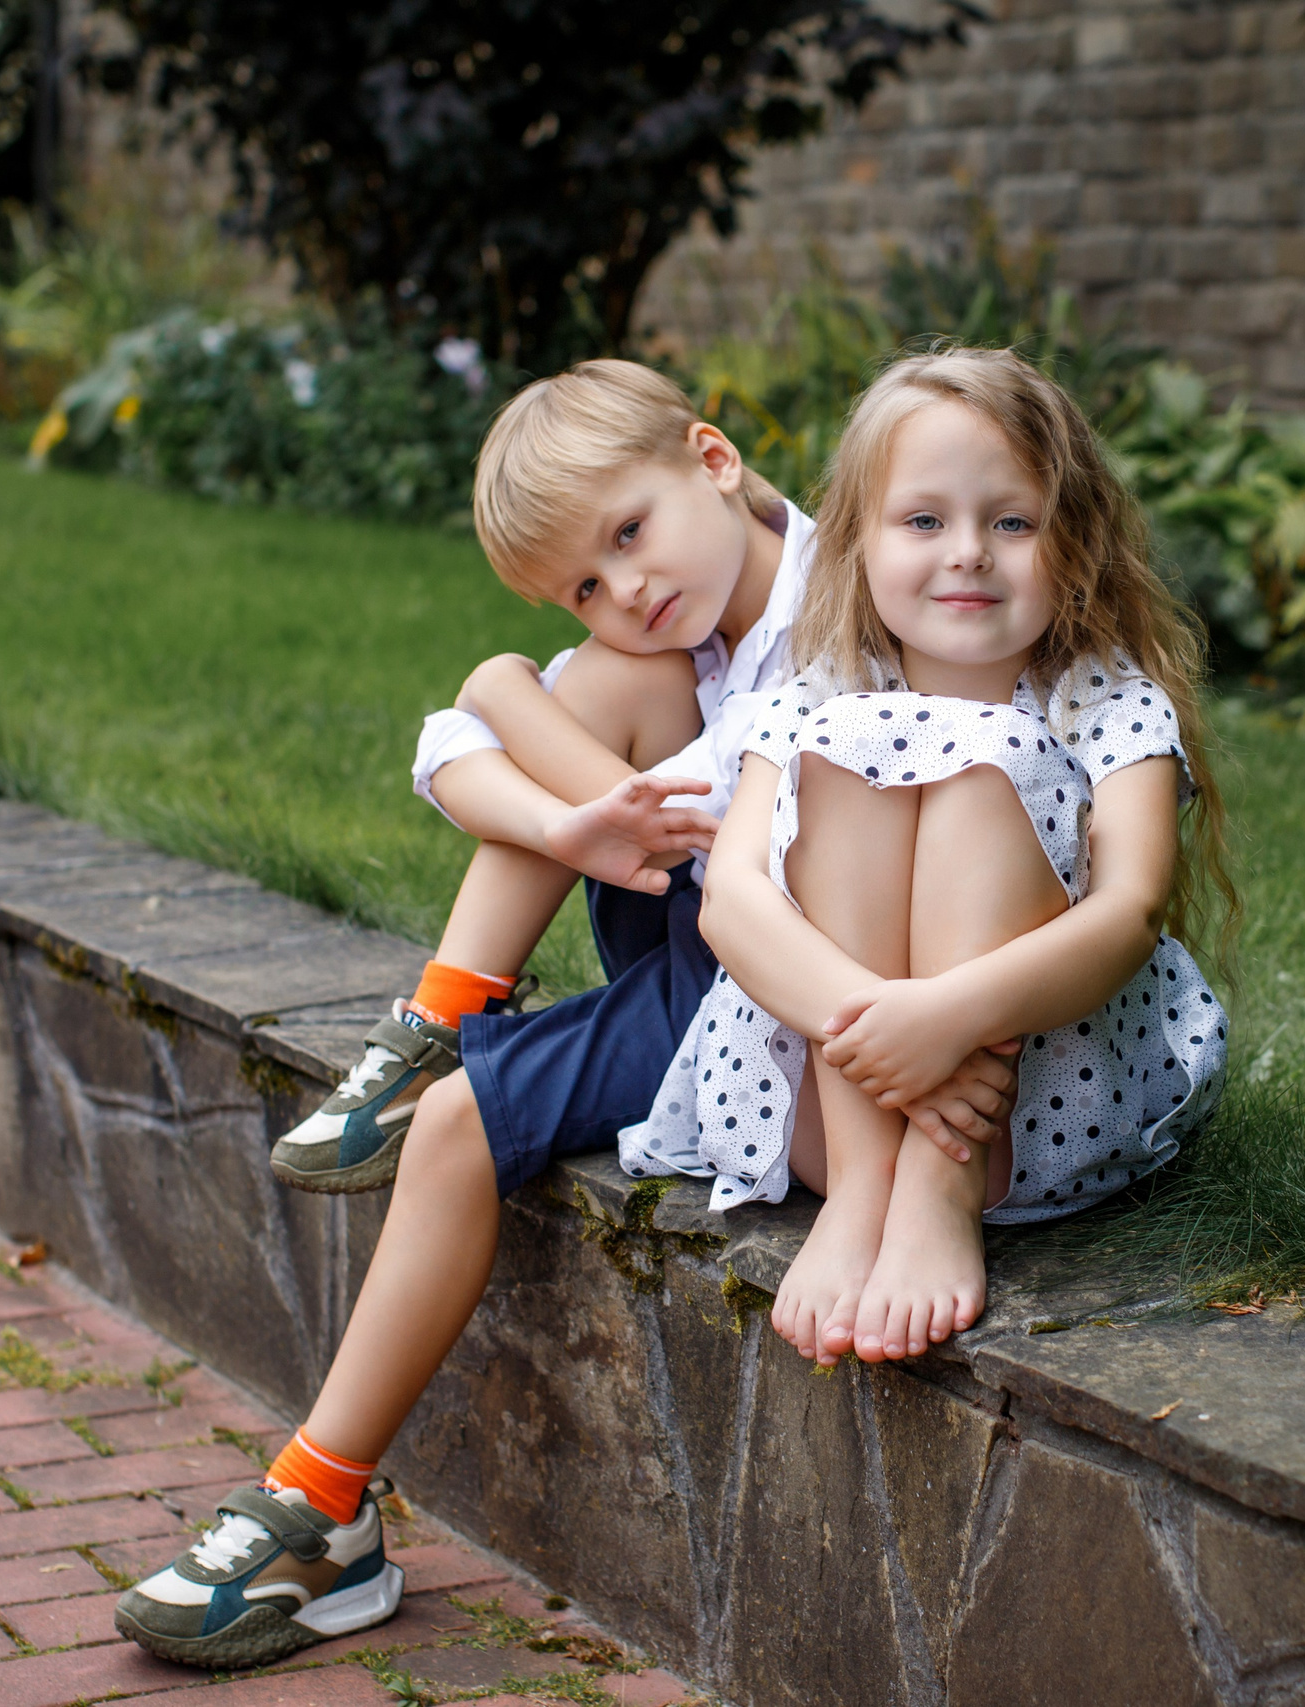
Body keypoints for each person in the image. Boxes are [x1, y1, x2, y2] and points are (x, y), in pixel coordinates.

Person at [114, 359, 1020, 1668]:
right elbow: (452, 750)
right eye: (583, 585)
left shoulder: (856, 601)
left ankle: (319, 1502)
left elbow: (719, 819)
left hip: (811, 976)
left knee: (464, 1101)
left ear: (714, 460)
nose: (626, 589)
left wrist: (505, 697)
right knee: (591, 713)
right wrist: (552, 789)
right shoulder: (678, 636)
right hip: (707, 952)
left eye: (629, 534)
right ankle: (436, 1029)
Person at [620, 346, 1240, 1369]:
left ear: (1073, 542)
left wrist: (946, 1018)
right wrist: (877, 1031)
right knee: (854, 743)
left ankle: (937, 1192)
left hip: (1035, 1110)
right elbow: (729, 900)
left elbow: (1130, 907)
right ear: (857, 540)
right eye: (922, 520)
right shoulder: (812, 694)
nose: (966, 553)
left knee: (979, 762)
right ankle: (868, 1194)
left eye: (1011, 522)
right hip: (826, 1108)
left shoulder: (1105, 698)